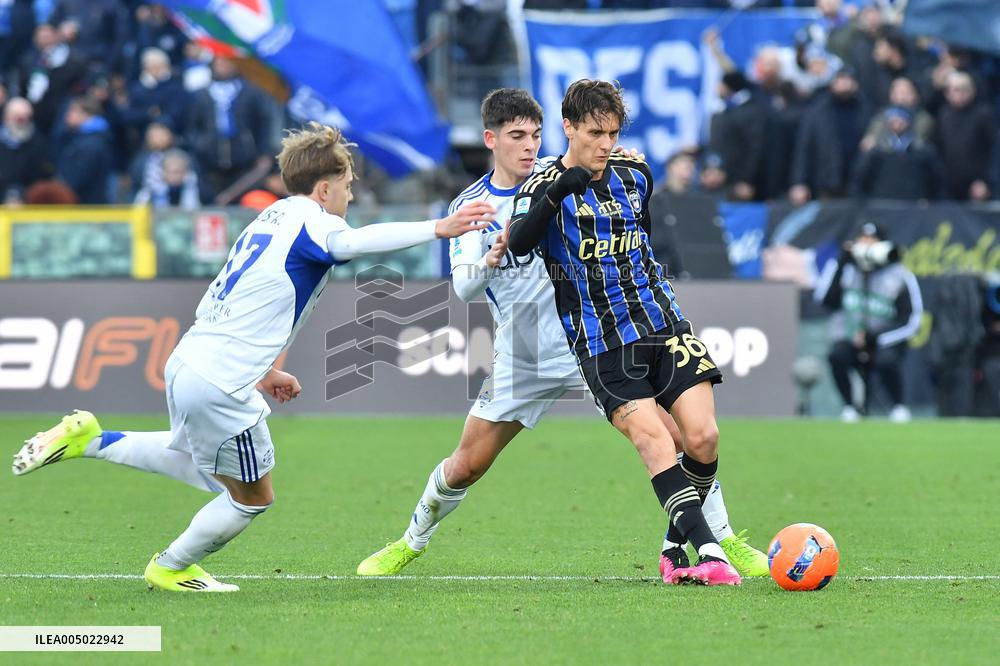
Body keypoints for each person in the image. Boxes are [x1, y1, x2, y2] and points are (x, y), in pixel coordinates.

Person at [11, 122, 495, 592]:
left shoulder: (272, 217)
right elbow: (351, 244)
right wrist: (440, 227)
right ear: (324, 189)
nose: (350, 198)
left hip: (188, 361)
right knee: (252, 498)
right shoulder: (316, 222)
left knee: (205, 467)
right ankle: (171, 566)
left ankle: (91, 439)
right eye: (347, 187)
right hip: (220, 380)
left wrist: (264, 371)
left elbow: (236, 299)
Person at [357, 88, 768, 580]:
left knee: (681, 437)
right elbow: (465, 288)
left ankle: (722, 541)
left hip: (597, 339)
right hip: (525, 354)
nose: (528, 146)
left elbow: (616, 193)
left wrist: (620, 157)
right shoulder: (474, 205)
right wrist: (491, 259)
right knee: (466, 464)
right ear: (491, 140)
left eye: (535, 134)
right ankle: (410, 541)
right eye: (516, 137)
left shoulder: (569, 175)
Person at [506, 80, 740, 586]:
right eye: (595, 132)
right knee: (654, 439)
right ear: (568, 127)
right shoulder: (538, 183)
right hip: (601, 341)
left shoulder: (636, 173)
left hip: (662, 322)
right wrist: (555, 194)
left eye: (613, 132)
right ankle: (712, 553)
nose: (606, 143)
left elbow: (643, 235)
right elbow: (519, 245)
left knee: (702, 436)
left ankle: (673, 547)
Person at [813, 222, 923, 422]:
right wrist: (841, 264)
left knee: (886, 360)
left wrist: (878, 337)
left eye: (873, 242)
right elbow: (825, 300)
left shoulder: (899, 274)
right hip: (849, 336)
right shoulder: (843, 268)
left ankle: (898, 407)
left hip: (883, 339)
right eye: (862, 241)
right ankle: (850, 407)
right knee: (837, 356)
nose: (867, 247)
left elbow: (912, 318)